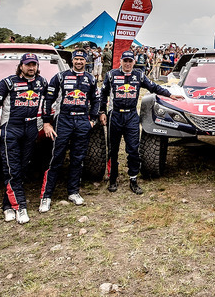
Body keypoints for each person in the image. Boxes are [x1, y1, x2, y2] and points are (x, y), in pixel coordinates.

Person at [99, 50, 184, 195]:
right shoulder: (111, 75)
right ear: (120, 61)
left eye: (130, 61)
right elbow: (103, 94)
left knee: (133, 149)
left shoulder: (138, 75)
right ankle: (113, 178)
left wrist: (170, 94)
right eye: (125, 61)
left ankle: (133, 179)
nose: (127, 64)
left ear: (134, 62)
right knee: (113, 150)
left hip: (131, 115)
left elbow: (154, 87)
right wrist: (101, 112)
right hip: (115, 115)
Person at [0, 53, 47, 224]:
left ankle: (7, 206)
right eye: (28, 64)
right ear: (21, 66)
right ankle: (20, 207)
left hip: (30, 129)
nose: (31, 68)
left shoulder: (41, 82)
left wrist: (45, 123)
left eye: (34, 65)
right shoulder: (8, 82)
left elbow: (48, 102)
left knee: (21, 169)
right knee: (11, 170)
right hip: (11, 128)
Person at [38, 49, 100, 212]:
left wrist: (92, 120)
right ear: (72, 61)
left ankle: (73, 192)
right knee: (56, 157)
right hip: (63, 119)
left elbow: (96, 100)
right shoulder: (60, 76)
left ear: (86, 61)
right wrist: (46, 122)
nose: (79, 62)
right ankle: (46, 196)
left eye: (82, 59)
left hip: (82, 120)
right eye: (76, 59)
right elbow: (48, 99)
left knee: (78, 158)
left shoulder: (90, 78)